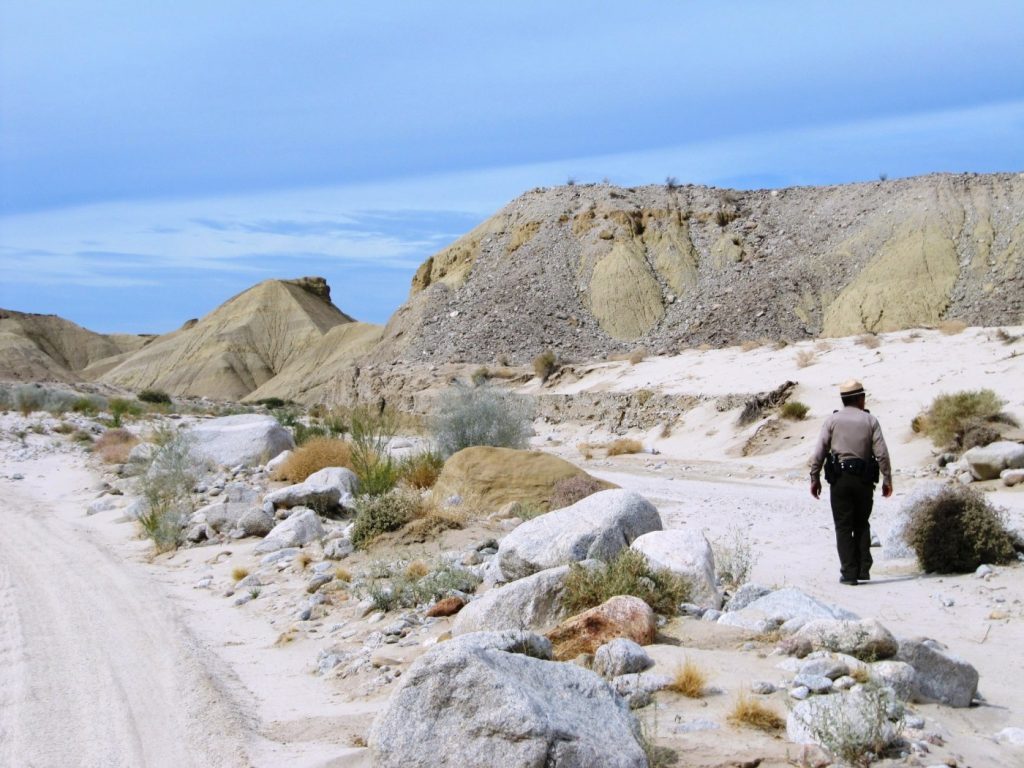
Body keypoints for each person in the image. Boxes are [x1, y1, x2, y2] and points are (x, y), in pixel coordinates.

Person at [809, 379, 893, 585]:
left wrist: (815, 477)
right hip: (864, 479)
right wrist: (887, 479)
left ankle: (849, 573)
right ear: (860, 398)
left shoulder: (832, 421)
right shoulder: (870, 420)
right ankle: (863, 569)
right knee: (861, 523)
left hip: (840, 480)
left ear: (844, 399)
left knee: (843, 526)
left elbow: (819, 451)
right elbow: (881, 453)